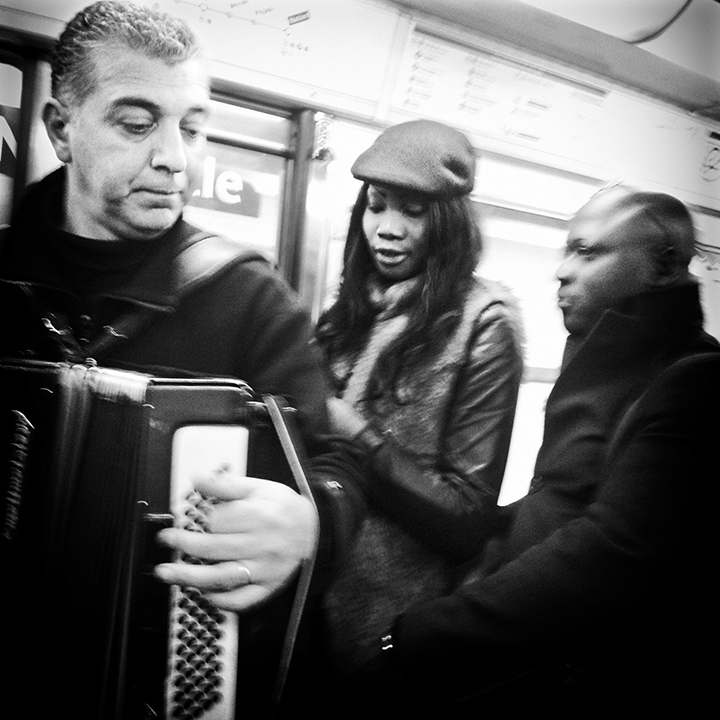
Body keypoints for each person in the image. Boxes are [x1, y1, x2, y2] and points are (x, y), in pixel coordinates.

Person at [0, 2, 366, 718]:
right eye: (138, 124)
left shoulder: (248, 298)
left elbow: (338, 464)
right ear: (60, 129)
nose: (176, 156)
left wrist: (312, 522)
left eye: (193, 128)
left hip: (162, 676)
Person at [344, 183, 720, 717]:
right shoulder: (612, 362)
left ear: (663, 265)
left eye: (588, 252)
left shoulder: (696, 381)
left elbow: (609, 553)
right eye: (568, 249)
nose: (562, 271)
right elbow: (566, 496)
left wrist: (419, 635)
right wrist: (486, 530)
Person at [314, 120, 524, 683]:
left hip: (391, 626)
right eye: (377, 206)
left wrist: (352, 433)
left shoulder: (485, 324)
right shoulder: (347, 314)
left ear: (447, 223)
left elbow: (466, 522)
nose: (387, 228)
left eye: (412, 211)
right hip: (307, 592)